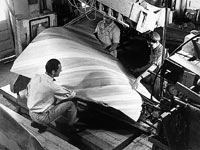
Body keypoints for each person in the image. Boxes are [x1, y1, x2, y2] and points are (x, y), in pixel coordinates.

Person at [26, 59, 78, 130]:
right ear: (53, 72)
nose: (61, 70)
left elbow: (27, 92)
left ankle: (37, 121)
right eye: (60, 69)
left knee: (53, 99)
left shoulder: (36, 77)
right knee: (71, 104)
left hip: (31, 112)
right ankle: (70, 126)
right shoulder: (52, 86)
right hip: (42, 117)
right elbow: (71, 95)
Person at [132, 31, 168, 99]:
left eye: (150, 44)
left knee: (157, 96)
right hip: (154, 74)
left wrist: (140, 77)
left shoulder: (161, 51)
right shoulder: (153, 48)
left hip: (160, 76)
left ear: (157, 42)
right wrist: (139, 70)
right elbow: (151, 64)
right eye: (148, 44)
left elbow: (154, 66)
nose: (149, 46)